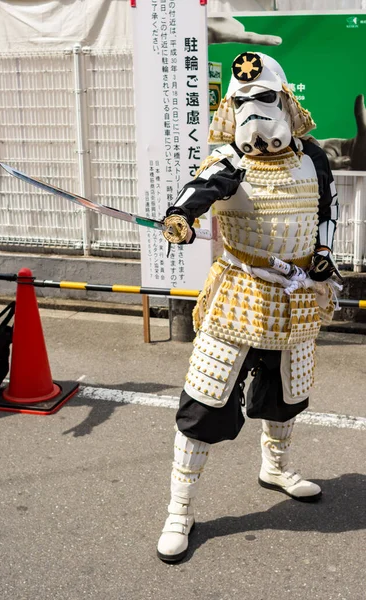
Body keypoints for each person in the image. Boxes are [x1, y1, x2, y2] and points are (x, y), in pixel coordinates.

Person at [157, 52, 341, 563]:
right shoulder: (230, 164)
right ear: (229, 111)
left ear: (285, 101)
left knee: (287, 393)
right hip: (241, 291)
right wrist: (181, 216)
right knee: (204, 401)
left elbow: (327, 208)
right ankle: (180, 507)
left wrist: (323, 256)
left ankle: (275, 468)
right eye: (241, 104)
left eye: (264, 99)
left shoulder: (314, 157)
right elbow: (199, 191)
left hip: (299, 292)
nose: (252, 112)